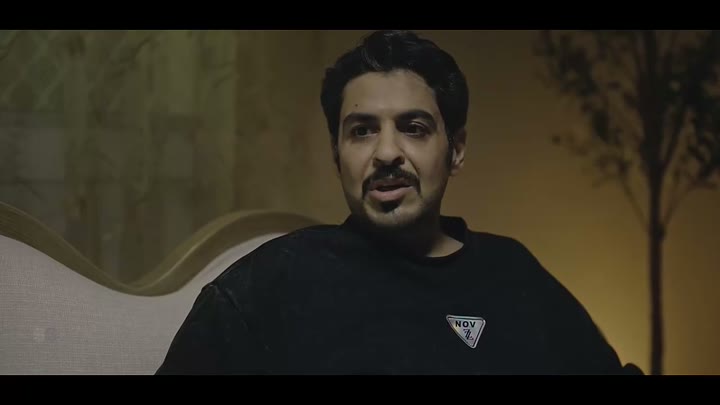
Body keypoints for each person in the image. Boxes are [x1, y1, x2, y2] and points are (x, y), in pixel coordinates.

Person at [156, 30, 640, 375]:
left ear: (456, 150)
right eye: (362, 131)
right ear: (337, 155)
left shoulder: (514, 274)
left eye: (413, 128)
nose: (386, 152)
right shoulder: (274, 283)